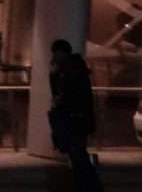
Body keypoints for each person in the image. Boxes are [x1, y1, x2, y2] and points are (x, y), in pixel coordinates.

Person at [47, 39, 103, 192]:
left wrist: (55, 75)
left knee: (79, 157)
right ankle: (87, 186)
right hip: (74, 119)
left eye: (55, 53)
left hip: (75, 120)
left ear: (61, 53)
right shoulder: (69, 70)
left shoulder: (72, 72)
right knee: (77, 157)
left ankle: (91, 187)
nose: (53, 57)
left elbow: (75, 98)